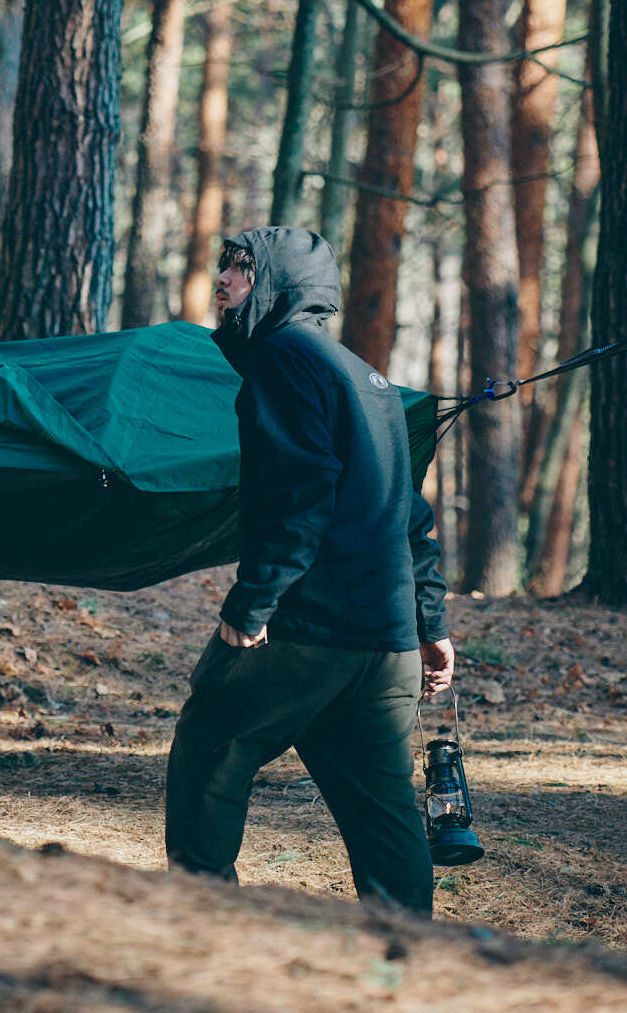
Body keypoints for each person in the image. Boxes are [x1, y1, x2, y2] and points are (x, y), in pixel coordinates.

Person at [164, 226, 454, 914]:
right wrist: (430, 622)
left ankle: (203, 928)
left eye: (242, 268)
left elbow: (301, 492)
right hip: (382, 647)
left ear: (279, 284)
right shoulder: (365, 375)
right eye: (225, 265)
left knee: (210, 742)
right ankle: (406, 958)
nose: (224, 280)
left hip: (310, 631)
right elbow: (409, 513)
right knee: (382, 809)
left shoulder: (284, 358)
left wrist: (252, 604)